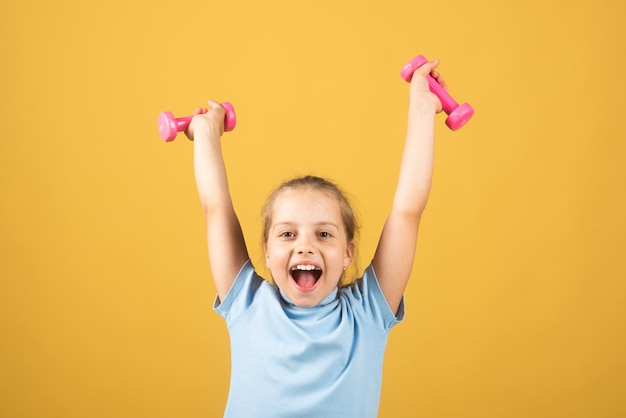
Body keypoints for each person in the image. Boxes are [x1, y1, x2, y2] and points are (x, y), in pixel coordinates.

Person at [184, 59, 446, 417]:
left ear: (347, 253)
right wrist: (206, 132)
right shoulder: (247, 301)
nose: (304, 245)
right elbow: (215, 206)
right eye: (288, 233)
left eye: (323, 234)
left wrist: (422, 108)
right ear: (267, 250)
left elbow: (407, 209)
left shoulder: (367, 312)